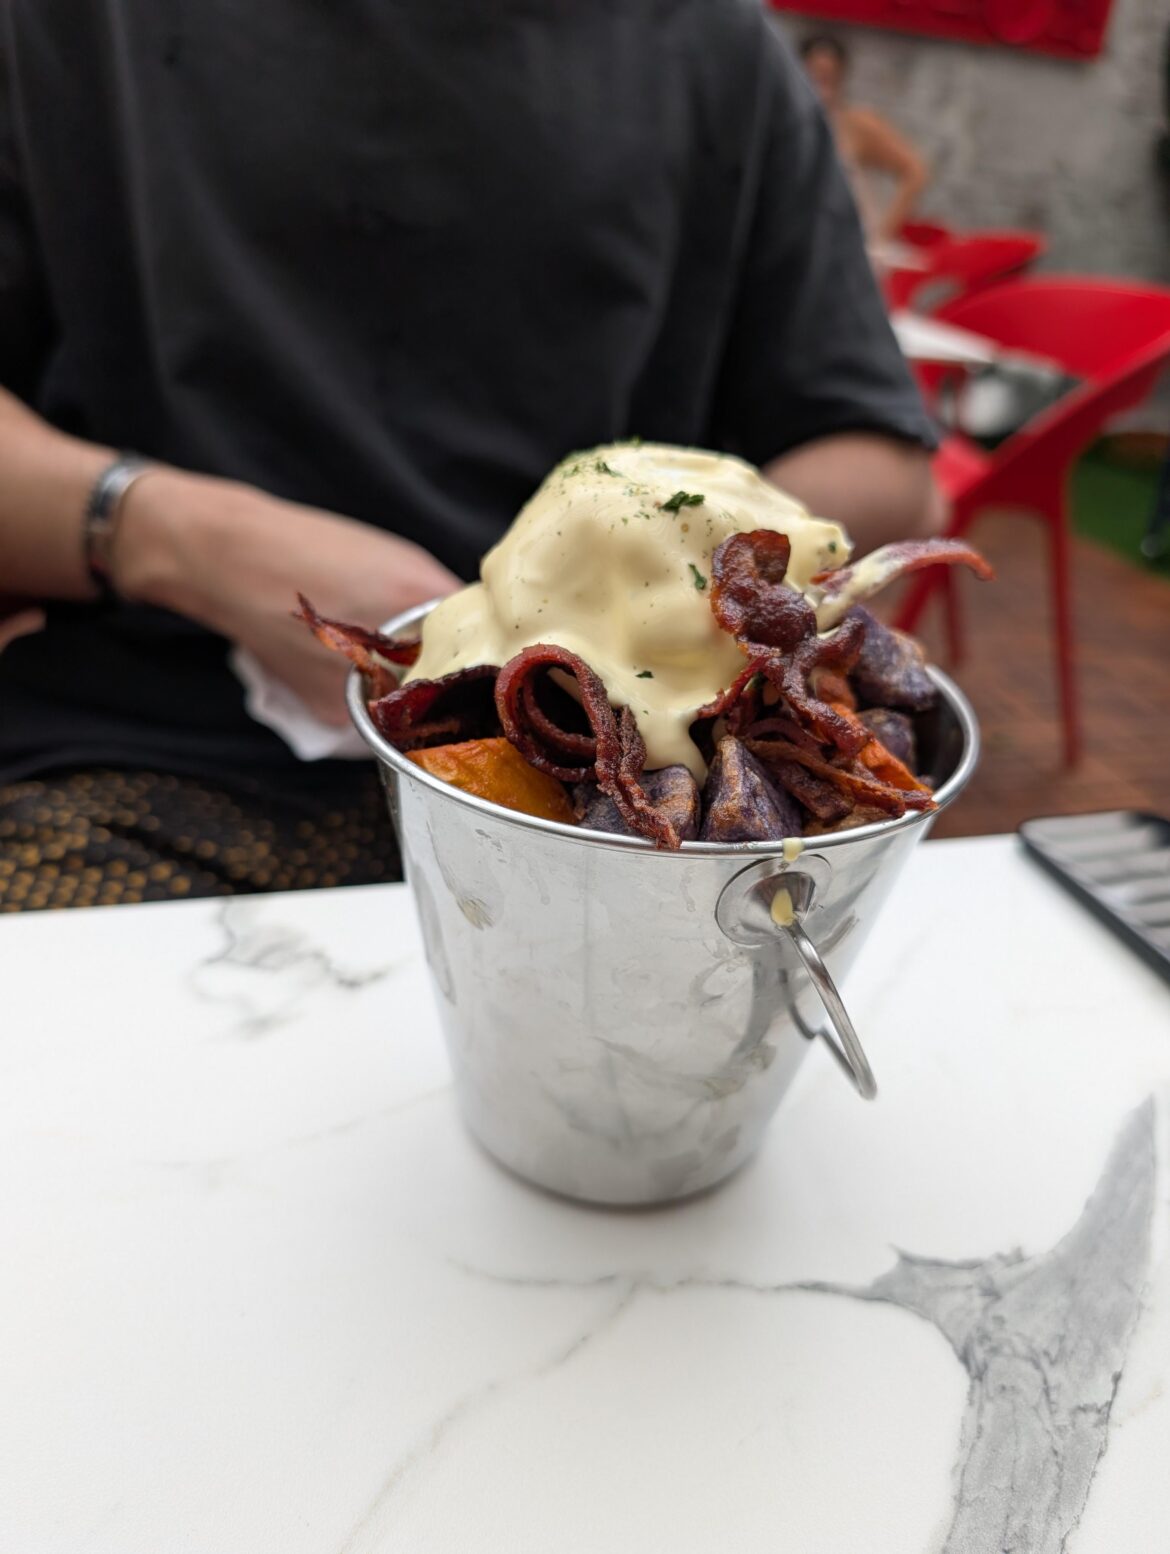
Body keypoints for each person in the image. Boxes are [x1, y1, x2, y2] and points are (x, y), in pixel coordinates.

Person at [0, 1, 938, 912]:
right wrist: (167, 533)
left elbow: (880, 459)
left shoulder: (712, 42)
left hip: (635, 817)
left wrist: (662, 571)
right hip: (148, 751)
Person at [799, 34, 930, 246]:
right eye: (814, 75)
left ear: (840, 76)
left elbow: (915, 171)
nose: (820, 86)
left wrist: (882, 233)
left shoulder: (854, 124)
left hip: (846, 242)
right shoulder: (786, 124)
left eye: (827, 77)